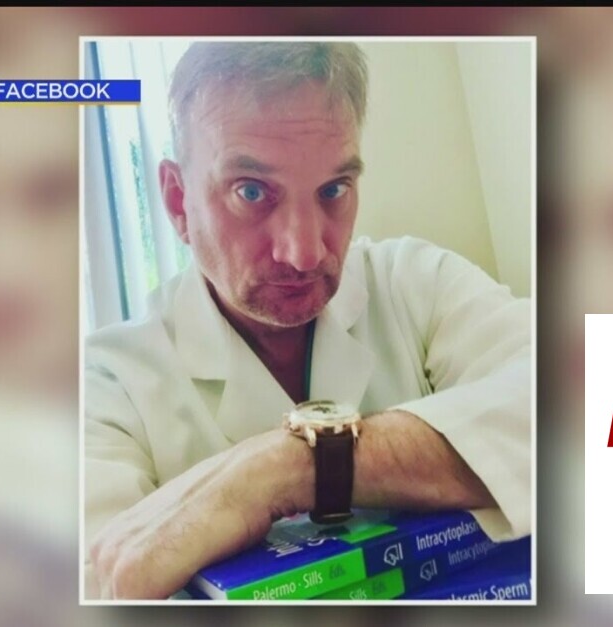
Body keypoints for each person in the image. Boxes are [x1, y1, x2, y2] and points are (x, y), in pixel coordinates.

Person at [85, 41, 533, 600]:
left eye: (333, 190)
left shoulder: (414, 282)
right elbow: (98, 583)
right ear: (178, 201)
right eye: (252, 192)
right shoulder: (105, 386)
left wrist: (294, 467)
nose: (303, 252)